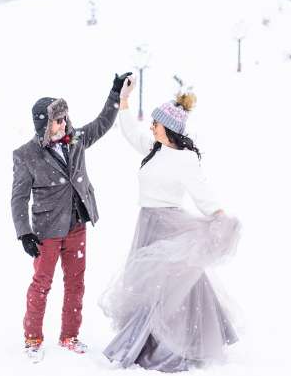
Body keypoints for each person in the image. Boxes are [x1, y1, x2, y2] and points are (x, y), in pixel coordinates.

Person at [99, 75, 241, 372]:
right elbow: (129, 132)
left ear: (170, 129)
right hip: (147, 223)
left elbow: (204, 194)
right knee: (152, 285)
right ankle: (152, 339)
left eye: (156, 123)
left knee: (168, 287)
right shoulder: (154, 148)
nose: (151, 127)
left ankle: (172, 344)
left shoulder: (186, 159)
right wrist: (123, 100)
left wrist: (221, 217)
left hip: (169, 224)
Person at [11, 72, 132, 363]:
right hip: (46, 230)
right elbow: (18, 198)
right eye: (57, 119)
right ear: (43, 123)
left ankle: (69, 336)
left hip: (77, 224)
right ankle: (32, 338)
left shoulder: (76, 139)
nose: (63, 123)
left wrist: (115, 92)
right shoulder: (26, 155)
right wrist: (24, 232)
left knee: (76, 283)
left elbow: (103, 122)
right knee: (42, 283)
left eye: (64, 118)